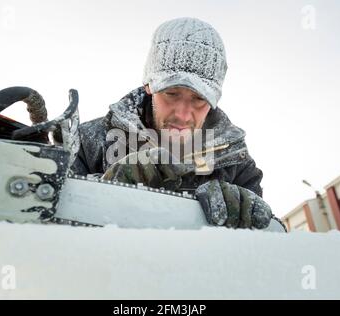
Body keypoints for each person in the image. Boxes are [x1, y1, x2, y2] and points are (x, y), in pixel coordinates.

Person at [72, 17, 278, 230]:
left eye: (199, 99)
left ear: (214, 101)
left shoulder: (236, 163)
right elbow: (50, 230)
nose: (183, 114)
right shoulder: (89, 142)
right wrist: (105, 190)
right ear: (149, 86)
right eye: (171, 93)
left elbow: (264, 243)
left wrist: (243, 215)